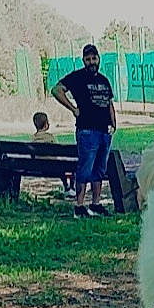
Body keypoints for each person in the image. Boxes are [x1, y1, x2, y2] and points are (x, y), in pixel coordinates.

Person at [51, 45, 116, 218]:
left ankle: (95, 204)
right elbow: (56, 90)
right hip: (87, 131)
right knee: (85, 169)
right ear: (83, 61)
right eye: (88, 59)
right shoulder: (77, 77)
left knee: (99, 170)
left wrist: (113, 124)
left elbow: (109, 103)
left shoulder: (104, 80)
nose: (91, 62)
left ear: (98, 59)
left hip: (104, 131)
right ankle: (79, 206)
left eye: (94, 58)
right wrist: (73, 108)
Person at [31, 112, 76, 197]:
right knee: (70, 167)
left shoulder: (33, 138)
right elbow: (56, 150)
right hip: (54, 167)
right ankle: (69, 187)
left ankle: (68, 188)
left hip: (38, 167)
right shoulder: (50, 137)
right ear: (46, 125)